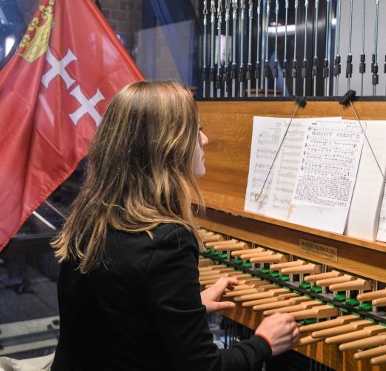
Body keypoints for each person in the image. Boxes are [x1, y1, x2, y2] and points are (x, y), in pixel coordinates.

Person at [50, 80, 299, 371]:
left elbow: (116, 315)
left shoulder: (90, 217)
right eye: (196, 129)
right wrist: (265, 342)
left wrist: (187, 309)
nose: (204, 140)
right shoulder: (168, 240)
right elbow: (206, 368)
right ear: (167, 145)